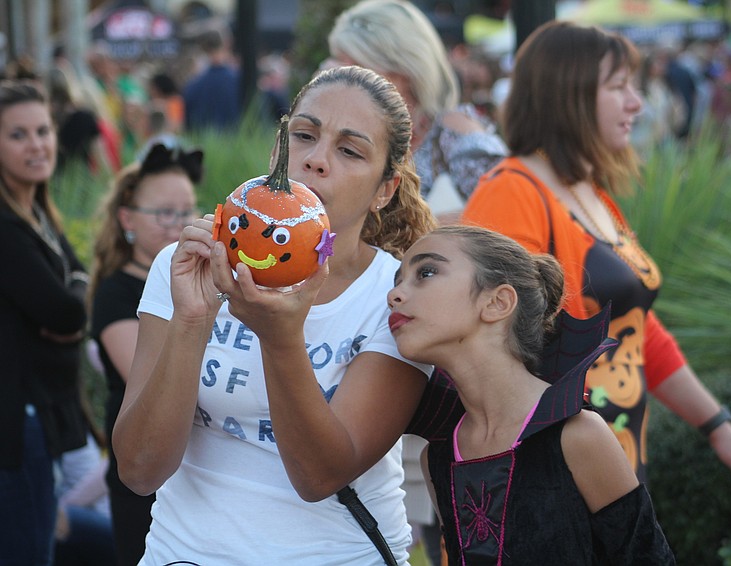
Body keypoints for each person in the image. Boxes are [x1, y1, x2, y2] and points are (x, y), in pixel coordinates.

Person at [112, 65, 437, 565]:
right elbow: (139, 470)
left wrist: (281, 338)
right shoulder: (187, 267)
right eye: (303, 136)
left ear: (384, 191)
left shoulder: (393, 296)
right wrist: (192, 321)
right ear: (276, 153)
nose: (315, 160)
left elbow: (319, 475)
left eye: (349, 150)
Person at [462, 21, 731, 502]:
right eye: (618, 86)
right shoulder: (512, 191)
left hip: (615, 469)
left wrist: (716, 424)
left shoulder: (589, 193)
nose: (637, 103)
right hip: (551, 482)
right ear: (569, 94)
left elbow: (638, 329)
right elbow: (485, 351)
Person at [389, 225, 676, 564]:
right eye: (397, 281)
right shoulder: (438, 458)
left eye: (426, 272)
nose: (395, 295)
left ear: (498, 302)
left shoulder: (579, 436)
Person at [88, 142, 203, 565]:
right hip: (145, 473)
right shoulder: (116, 293)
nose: (178, 225)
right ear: (127, 219)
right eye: (164, 213)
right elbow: (154, 373)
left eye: (188, 211)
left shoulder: (202, 280)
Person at [0, 80, 90, 564]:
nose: (36, 144)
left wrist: (73, 293)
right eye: (18, 135)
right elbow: (66, 310)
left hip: (43, 414)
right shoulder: (5, 224)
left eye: (42, 130)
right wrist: (73, 298)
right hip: (18, 424)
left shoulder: (37, 212)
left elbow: (75, 291)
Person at [326, 0, 507, 221]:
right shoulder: (355, 135)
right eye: (340, 68)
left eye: (357, 69)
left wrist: (426, 230)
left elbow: (511, 209)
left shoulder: (452, 131)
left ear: (403, 69)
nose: (346, 82)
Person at [53, 432, 117, 566]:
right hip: (93, 513)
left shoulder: (71, 432)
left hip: (104, 517)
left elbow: (102, 479)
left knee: (52, 519)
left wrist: (60, 509)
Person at [182, 26, 241, 132]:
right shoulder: (240, 81)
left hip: (204, 146)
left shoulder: (192, 87)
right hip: (237, 145)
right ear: (227, 44)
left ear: (202, 48)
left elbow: (188, 127)